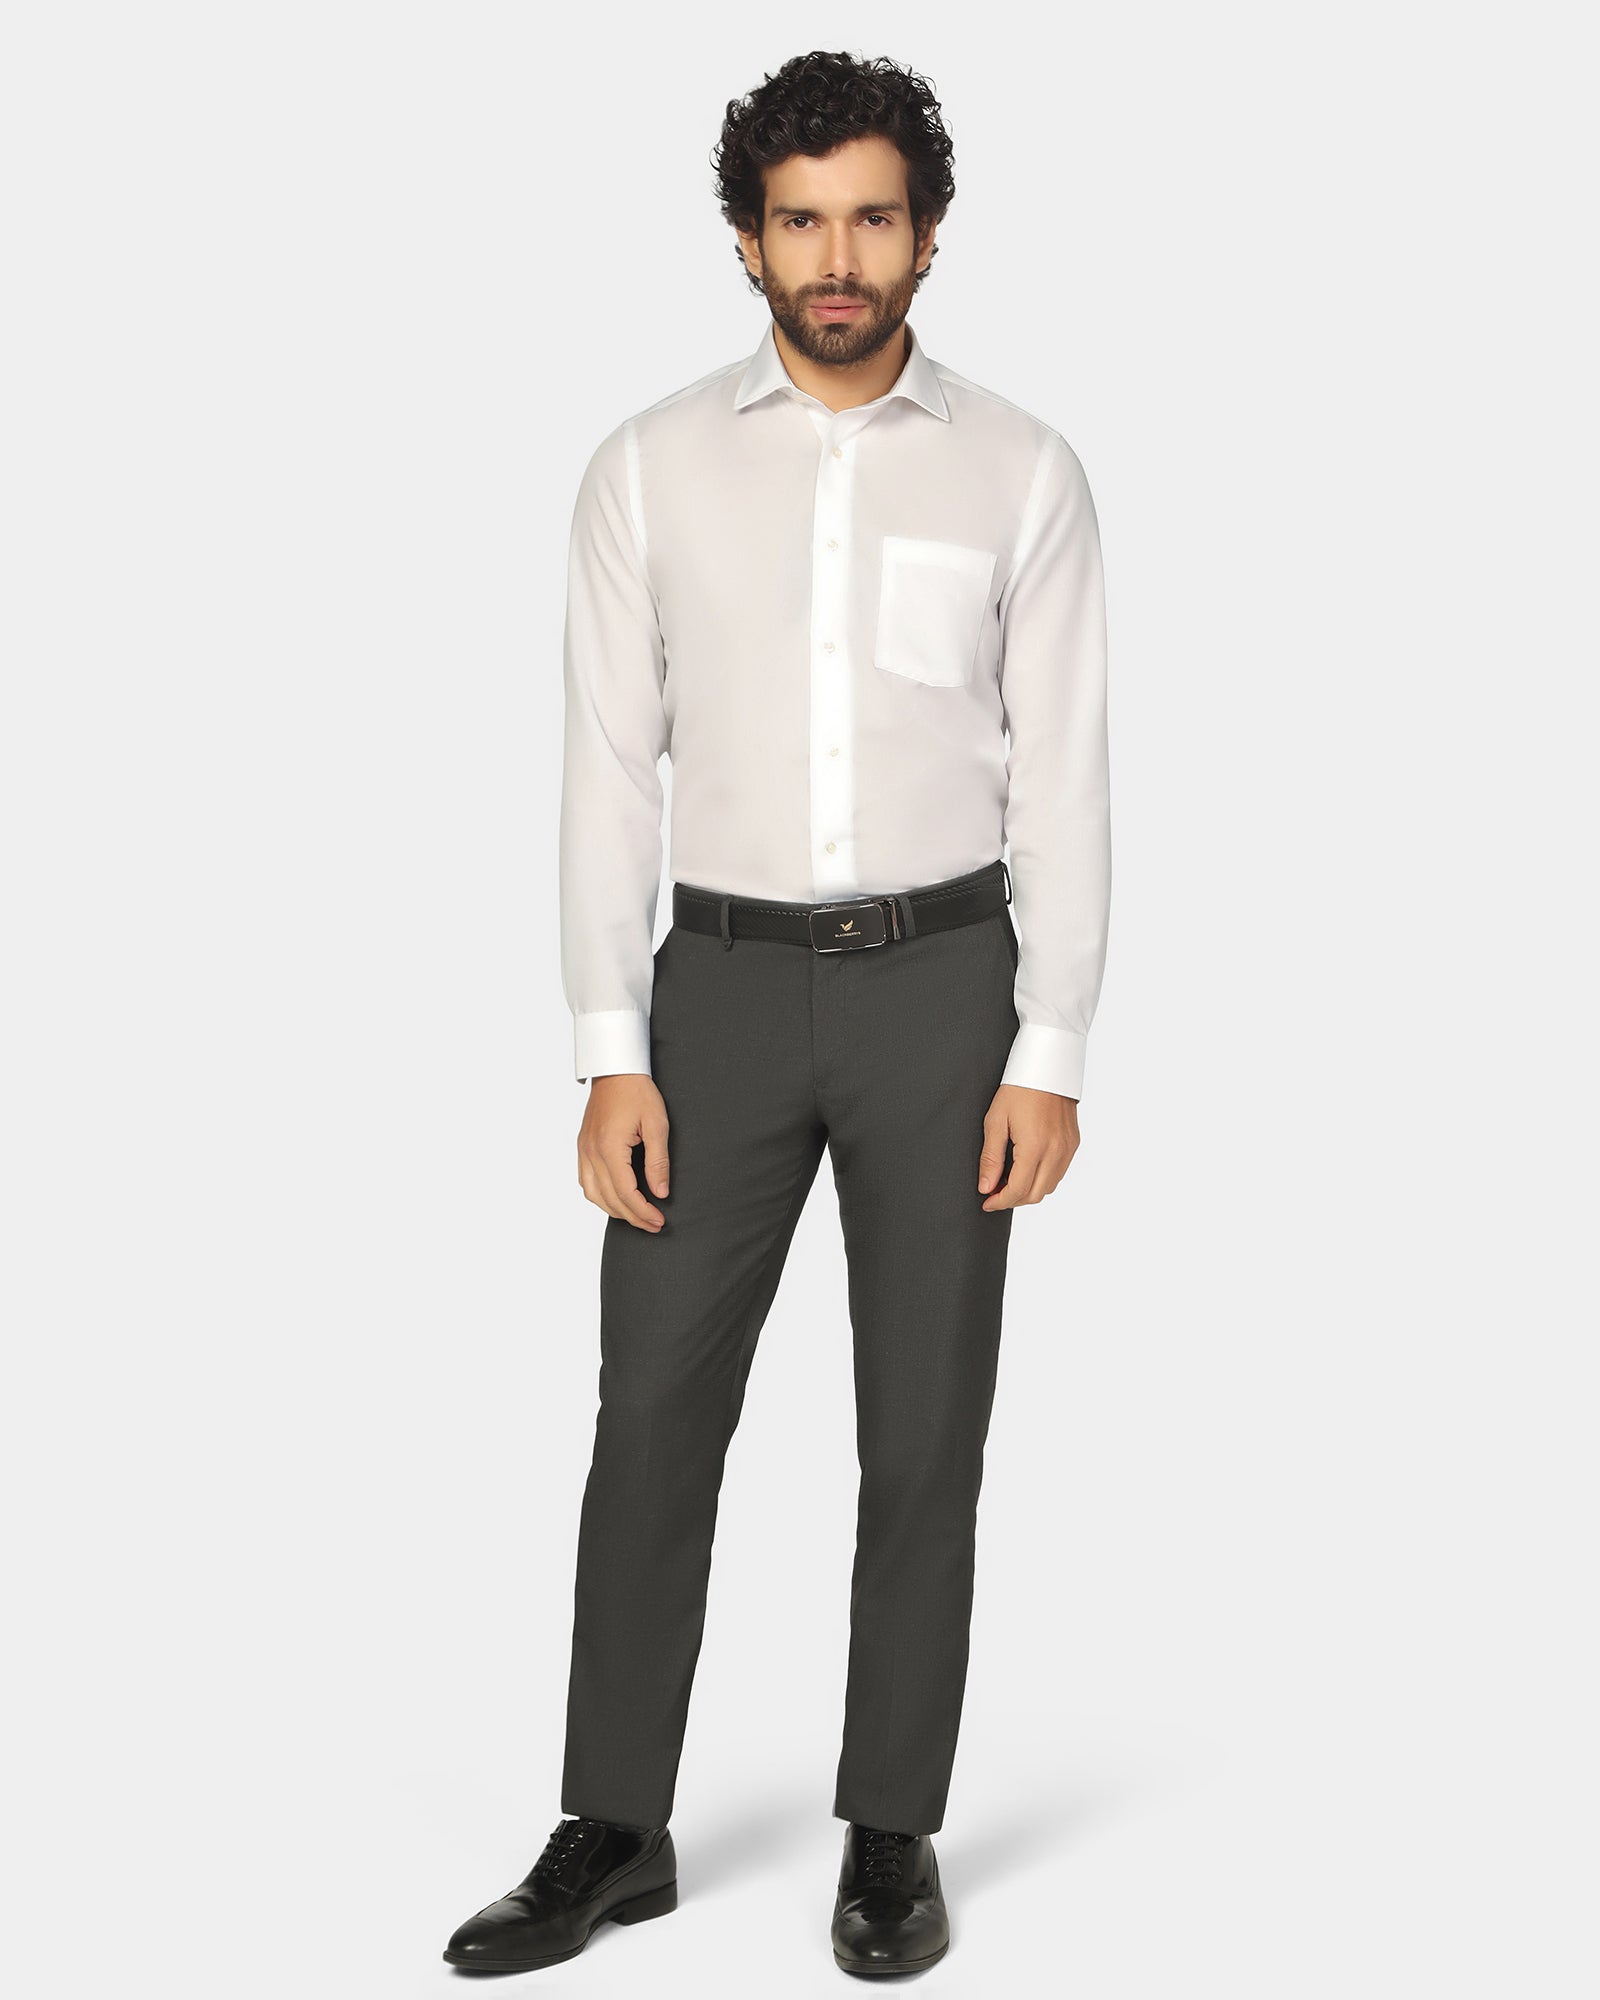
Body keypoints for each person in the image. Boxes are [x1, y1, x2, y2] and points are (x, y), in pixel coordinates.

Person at [443, 47, 1111, 1978]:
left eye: (871, 218)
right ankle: (613, 1824)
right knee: (651, 1410)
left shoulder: (1024, 472)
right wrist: (609, 1049)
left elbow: (1061, 777)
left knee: (925, 1431)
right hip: (717, 994)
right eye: (800, 221)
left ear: (928, 233)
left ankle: (890, 1829)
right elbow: (606, 776)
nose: (837, 258)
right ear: (748, 239)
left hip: (944, 992)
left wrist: (1051, 1046)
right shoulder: (647, 469)